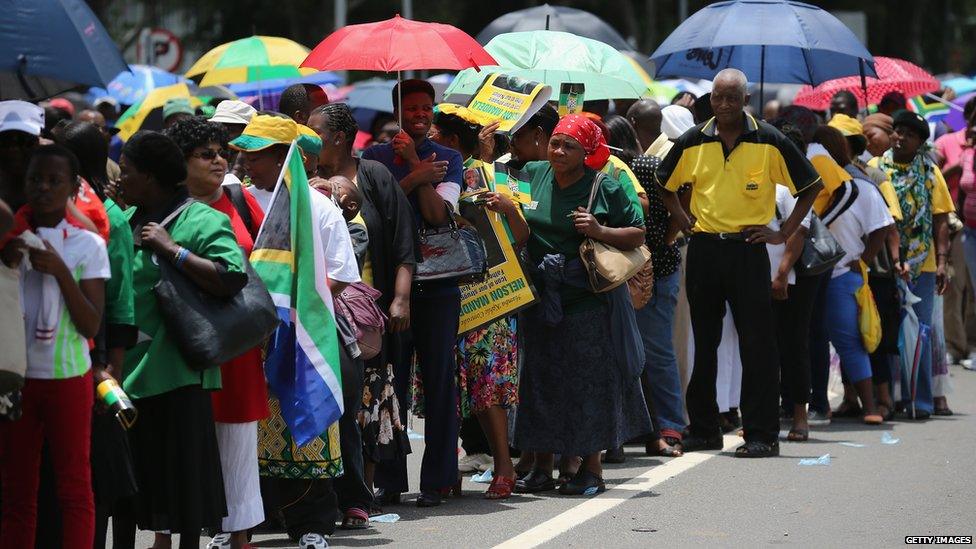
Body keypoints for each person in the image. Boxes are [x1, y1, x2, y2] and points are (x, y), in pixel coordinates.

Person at [657, 69, 822, 458]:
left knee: (757, 344)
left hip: (749, 250)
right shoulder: (693, 139)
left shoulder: (769, 138)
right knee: (705, 340)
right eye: (718, 97)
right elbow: (664, 183)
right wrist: (681, 219)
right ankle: (704, 429)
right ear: (710, 99)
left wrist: (783, 234)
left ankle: (762, 433)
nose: (725, 105)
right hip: (705, 250)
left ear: (745, 100)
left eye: (732, 98)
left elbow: (810, 186)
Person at [231, 114, 359, 549]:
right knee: (246, 436)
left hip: (303, 338)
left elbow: (341, 271)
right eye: (245, 154)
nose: (247, 162)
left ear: (283, 156)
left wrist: (297, 308)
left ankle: (312, 526)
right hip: (250, 341)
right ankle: (242, 524)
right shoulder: (238, 203)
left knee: (304, 432)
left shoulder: (316, 206)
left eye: (257, 154)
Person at [120, 131, 246, 549]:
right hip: (128, 377)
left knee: (187, 502)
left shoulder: (203, 219)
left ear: (151, 177)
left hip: (181, 377)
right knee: (130, 496)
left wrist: (173, 250)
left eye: (127, 171)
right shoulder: (126, 221)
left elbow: (231, 277)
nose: (121, 179)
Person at [514, 114, 651, 495]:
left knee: (588, 385)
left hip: (588, 300)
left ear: (588, 153)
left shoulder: (603, 186)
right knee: (541, 382)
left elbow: (638, 232)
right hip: (541, 296)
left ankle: (591, 469)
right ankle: (541, 467)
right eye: (555, 142)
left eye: (568, 146)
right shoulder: (532, 173)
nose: (558, 151)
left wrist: (599, 229)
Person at [309, 102, 417, 522]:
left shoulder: (374, 175)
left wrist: (401, 298)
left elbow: (404, 242)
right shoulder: (304, 179)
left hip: (368, 315)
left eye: (315, 130)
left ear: (338, 137)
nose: (308, 135)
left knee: (368, 401)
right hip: (325, 312)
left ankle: (361, 492)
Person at [164, 117, 269, 549]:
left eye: (221, 152)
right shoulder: (162, 210)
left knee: (238, 447)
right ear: (179, 162)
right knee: (176, 447)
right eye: (206, 154)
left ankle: (240, 537)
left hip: (237, 346)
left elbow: (271, 258)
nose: (219, 160)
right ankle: (165, 536)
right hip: (179, 345)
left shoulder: (240, 200)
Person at [361, 80, 464, 508]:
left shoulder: (451, 159)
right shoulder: (373, 159)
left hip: (439, 286)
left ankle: (438, 479)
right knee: (391, 380)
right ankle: (389, 478)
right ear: (398, 111)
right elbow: (373, 214)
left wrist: (416, 164)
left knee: (441, 381)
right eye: (412, 108)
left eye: (427, 108)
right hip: (391, 287)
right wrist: (413, 176)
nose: (421, 115)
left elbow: (438, 214)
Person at [0, 145, 109, 549]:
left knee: (74, 488)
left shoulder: (87, 245)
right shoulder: (11, 238)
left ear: (72, 187)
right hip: (18, 379)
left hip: (68, 379)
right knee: (16, 492)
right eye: (35, 180)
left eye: (54, 181)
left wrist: (60, 271)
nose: (43, 188)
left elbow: (90, 323)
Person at [427, 110, 529, 499]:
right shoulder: (431, 174)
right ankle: (444, 468)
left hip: (489, 298)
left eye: (436, 134)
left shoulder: (494, 179)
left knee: (488, 388)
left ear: (452, 142)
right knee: (446, 386)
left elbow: (521, 237)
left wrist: (506, 207)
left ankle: (504, 466)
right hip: (442, 293)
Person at [56, 121, 139, 549]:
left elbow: (121, 301)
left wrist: (113, 371)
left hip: (101, 357)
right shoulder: (50, 211)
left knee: (107, 474)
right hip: (64, 349)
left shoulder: (111, 219)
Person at [872, 110, 955, 419]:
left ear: (920, 141)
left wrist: (943, 262)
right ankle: (888, 398)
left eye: (909, 133)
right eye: (897, 131)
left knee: (920, 331)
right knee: (887, 330)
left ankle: (919, 401)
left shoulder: (931, 174)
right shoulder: (875, 168)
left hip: (924, 264)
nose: (900, 137)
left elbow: (941, 223)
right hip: (883, 264)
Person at [815, 124, 897, 424]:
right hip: (812, 277)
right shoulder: (806, 183)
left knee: (850, 341)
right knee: (821, 343)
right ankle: (842, 402)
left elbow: (883, 227)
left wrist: (863, 259)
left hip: (841, 276)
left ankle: (871, 407)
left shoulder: (860, 187)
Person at [630, 106, 697, 459]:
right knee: (656, 349)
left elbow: (682, 201)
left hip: (649, 269)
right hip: (664, 264)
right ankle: (663, 423)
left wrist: (666, 238)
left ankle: (670, 423)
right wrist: (671, 236)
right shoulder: (665, 158)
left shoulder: (645, 164)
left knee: (654, 350)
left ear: (632, 124)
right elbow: (686, 204)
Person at [935, 97, 976, 367]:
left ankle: (972, 345)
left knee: (973, 289)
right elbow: (933, 174)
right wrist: (959, 163)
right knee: (954, 286)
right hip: (957, 227)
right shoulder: (948, 143)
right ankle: (953, 344)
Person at [0, 100, 43, 211]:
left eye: (24, 140)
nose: (13, 149)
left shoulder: (59, 180)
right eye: (5, 141)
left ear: (38, 143)